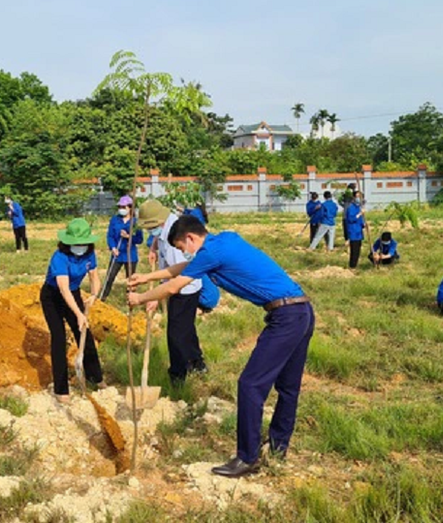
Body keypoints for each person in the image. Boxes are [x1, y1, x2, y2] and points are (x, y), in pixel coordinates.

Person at [128, 216, 314, 478]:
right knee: (288, 388)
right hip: (302, 310)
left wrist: (140, 297)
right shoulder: (224, 240)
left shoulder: (211, 251)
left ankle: (247, 458)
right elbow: (182, 268)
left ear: (191, 238)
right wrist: (147, 276)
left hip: (286, 318)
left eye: (183, 247)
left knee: (250, 385)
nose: (184, 252)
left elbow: (173, 286)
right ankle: (277, 448)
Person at [138, 200, 208, 383]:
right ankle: (197, 362)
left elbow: (177, 275)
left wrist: (153, 296)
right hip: (181, 285)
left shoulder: (175, 240)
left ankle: (178, 375)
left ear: (159, 222)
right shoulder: (168, 226)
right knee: (186, 327)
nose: (149, 231)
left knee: (176, 334)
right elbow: (158, 239)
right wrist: (153, 247)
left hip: (184, 289)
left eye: (150, 228)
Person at [40, 218, 104, 403]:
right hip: (53, 296)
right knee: (59, 338)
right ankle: (61, 390)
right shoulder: (59, 257)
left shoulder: (90, 255)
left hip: (74, 293)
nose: (80, 246)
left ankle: (96, 377)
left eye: (83, 243)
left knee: (84, 333)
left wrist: (93, 295)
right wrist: (79, 314)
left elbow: (94, 277)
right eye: (76, 243)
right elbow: (63, 289)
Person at [101, 196, 144, 301]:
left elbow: (139, 239)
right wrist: (113, 248)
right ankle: (103, 297)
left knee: (131, 279)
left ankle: (131, 299)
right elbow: (110, 236)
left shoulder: (135, 222)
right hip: (117, 254)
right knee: (110, 276)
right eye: (120, 206)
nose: (121, 209)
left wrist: (129, 237)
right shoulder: (115, 220)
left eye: (124, 207)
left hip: (130, 255)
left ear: (130, 208)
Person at [345, 191, 366, 269]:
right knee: (354, 250)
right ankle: (352, 266)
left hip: (359, 232)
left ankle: (355, 265)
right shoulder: (351, 207)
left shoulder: (359, 207)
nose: (359, 199)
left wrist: (363, 225)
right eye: (357, 197)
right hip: (353, 232)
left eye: (360, 197)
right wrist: (360, 214)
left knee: (358, 251)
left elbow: (360, 220)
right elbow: (351, 219)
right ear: (354, 197)